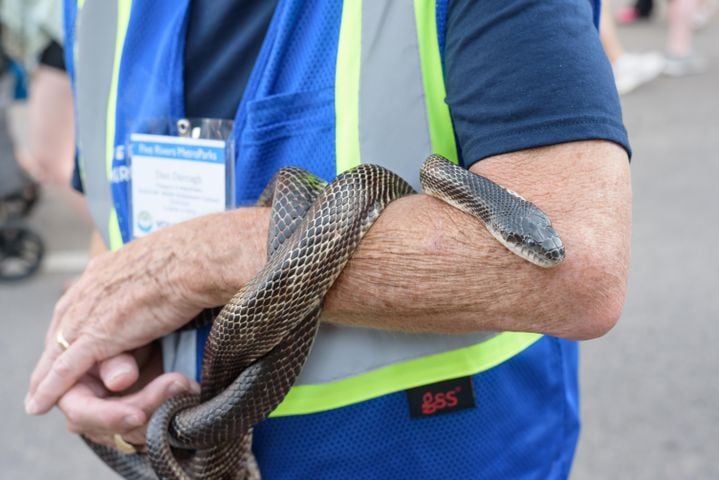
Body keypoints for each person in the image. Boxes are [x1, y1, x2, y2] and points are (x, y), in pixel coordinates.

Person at [25, 0, 632, 478]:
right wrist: (94, 346)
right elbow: (115, 222)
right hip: (201, 447)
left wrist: (194, 263)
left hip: (436, 458)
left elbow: (578, 268)